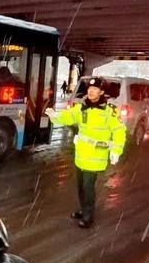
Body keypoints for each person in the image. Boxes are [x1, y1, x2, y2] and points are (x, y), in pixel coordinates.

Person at [45, 76, 126, 228]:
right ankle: (83, 210)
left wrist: (116, 150)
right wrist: (55, 116)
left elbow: (120, 131)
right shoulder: (81, 107)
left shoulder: (109, 112)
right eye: (89, 88)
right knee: (81, 187)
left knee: (88, 188)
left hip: (95, 157)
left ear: (101, 92)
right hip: (80, 156)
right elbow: (68, 117)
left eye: (95, 89)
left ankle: (89, 216)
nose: (91, 91)